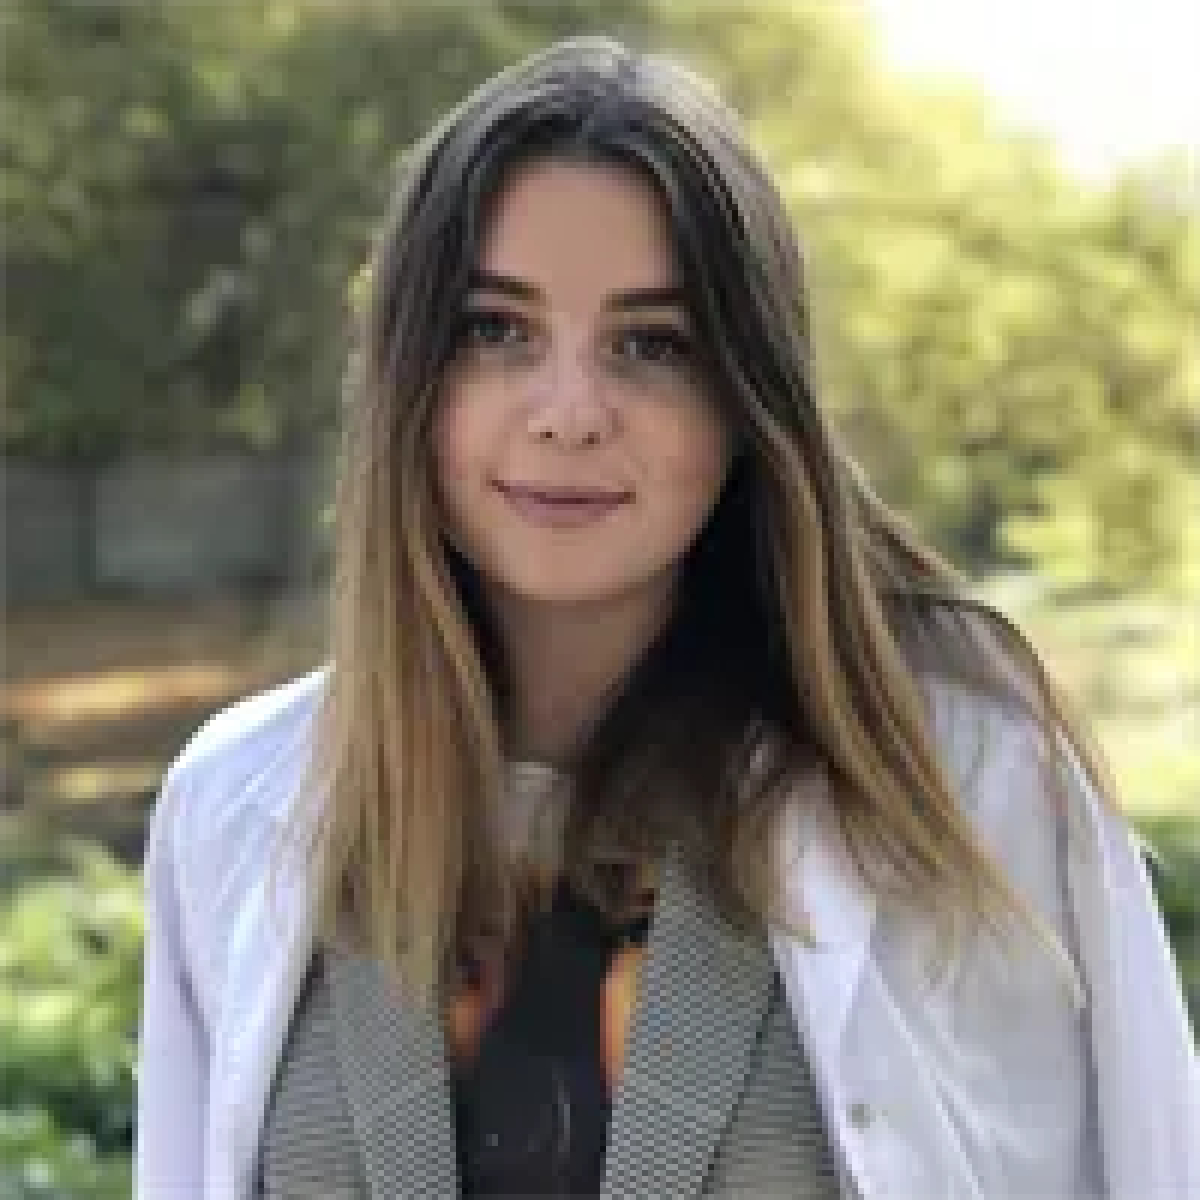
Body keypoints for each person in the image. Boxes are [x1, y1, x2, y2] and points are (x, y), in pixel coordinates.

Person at [135, 35, 1196, 1199]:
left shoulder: (970, 785)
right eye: (497, 330)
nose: (569, 413)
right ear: (408, 382)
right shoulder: (232, 807)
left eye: (651, 345)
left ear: (746, 401)